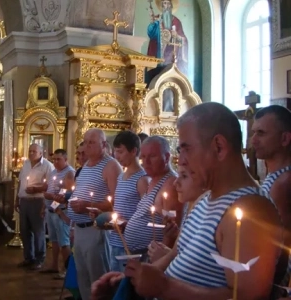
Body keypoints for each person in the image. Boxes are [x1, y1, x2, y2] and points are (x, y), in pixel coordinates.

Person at [91, 102, 283, 300]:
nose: (180, 160)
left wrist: (165, 288)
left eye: (186, 149)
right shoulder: (204, 200)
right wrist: (130, 281)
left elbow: (248, 297)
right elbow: (174, 256)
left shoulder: (251, 210)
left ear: (219, 147)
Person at [67, 128, 122, 300]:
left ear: (104, 145)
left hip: (96, 230)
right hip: (81, 229)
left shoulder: (111, 166)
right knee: (82, 277)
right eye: (85, 142)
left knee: (98, 279)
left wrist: (88, 206)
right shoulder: (85, 166)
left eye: (92, 142)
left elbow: (115, 201)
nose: (86, 146)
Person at [252, 105, 291, 297]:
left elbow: (281, 243)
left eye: (261, 133)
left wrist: (267, 286)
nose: (253, 140)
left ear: (285, 138)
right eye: (253, 133)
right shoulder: (275, 177)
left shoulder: (283, 182)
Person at [122, 136, 182, 257]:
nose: (146, 162)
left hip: (151, 257)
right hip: (140, 255)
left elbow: (171, 231)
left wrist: (157, 263)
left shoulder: (170, 185)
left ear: (167, 158)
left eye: (152, 156)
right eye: (143, 157)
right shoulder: (153, 180)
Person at [108, 131, 149, 272]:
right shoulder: (121, 177)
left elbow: (147, 214)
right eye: (115, 152)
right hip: (115, 240)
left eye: (120, 151)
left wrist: (127, 223)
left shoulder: (142, 179)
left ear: (133, 151)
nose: (116, 156)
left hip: (130, 245)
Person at [16, 144, 54, 270]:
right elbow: (21, 182)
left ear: (41, 153)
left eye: (34, 151)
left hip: (38, 201)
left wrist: (35, 189)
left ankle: (39, 259)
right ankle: (28, 258)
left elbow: (51, 185)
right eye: (30, 151)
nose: (31, 153)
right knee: (25, 231)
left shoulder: (47, 166)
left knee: (38, 231)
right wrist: (17, 198)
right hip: (24, 201)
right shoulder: (26, 164)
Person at [42, 149, 75, 276]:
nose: (55, 162)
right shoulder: (53, 172)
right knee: (54, 240)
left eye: (58, 159)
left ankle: (67, 270)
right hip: (51, 210)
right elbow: (50, 189)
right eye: (54, 159)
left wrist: (53, 202)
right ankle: (54, 265)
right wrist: (44, 206)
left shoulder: (69, 173)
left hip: (60, 211)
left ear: (65, 160)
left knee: (64, 242)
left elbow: (65, 194)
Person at [147, 0, 188, 74]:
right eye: (165, 3)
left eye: (169, 3)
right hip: (159, 53)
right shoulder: (158, 20)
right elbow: (151, 34)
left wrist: (177, 36)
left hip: (172, 56)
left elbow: (184, 40)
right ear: (162, 6)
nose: (167, 6)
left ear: (171, 6)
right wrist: (152, 23)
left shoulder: (177, 22)